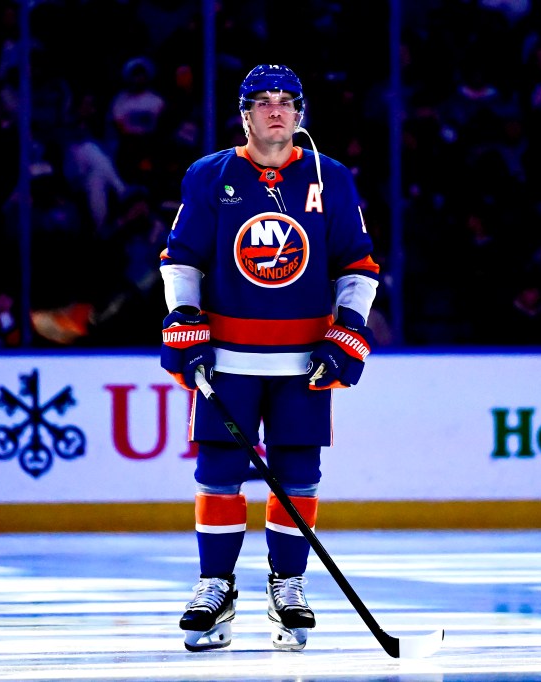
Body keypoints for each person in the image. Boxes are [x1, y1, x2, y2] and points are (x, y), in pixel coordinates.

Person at [158, 64, 380, 652]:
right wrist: (184, 319)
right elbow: (183, 258)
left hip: (302, 362)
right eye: (263, 102)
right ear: (245, 113)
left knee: (298, 476)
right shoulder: (211, 175)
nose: (275, 111)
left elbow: (357, 265)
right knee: (219, 474)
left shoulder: (331, 178)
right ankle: (216, 585)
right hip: (230, 358)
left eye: (286, 101)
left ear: (301, 113)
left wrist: (349, 329)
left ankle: (288, 585)